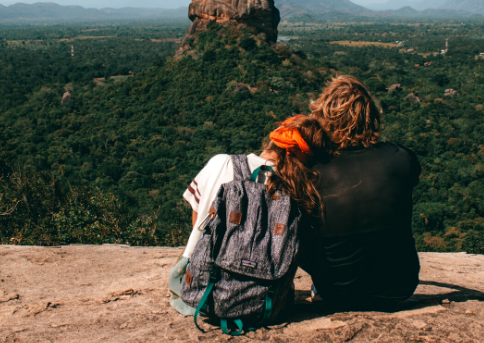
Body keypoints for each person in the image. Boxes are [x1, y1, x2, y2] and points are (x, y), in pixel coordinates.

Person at [169, 115, 335, 316]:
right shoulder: (300, 190)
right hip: (266, 297)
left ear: (273, 139)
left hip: (201, 289)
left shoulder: (221, 163)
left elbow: (198, 221)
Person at [301, 75, 422, 310]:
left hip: (336, 291)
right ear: (372, 117)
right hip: (400, 286)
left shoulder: (312, 170)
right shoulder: (401, 158)